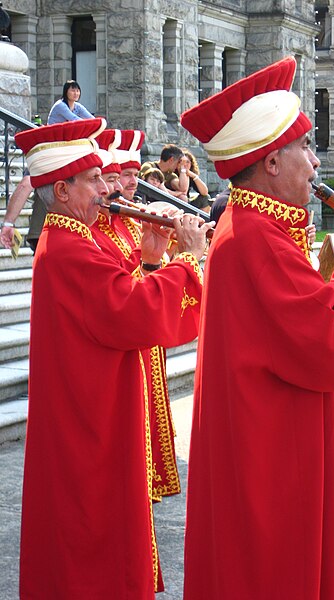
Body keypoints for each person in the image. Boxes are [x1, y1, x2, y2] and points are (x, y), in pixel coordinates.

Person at [180, 56, 334, 600]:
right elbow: (332, 340)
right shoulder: (255, 235)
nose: (315, 164)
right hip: (271, 456)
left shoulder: (258, 228)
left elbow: (309, 325)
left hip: (271, 438)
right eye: (304, 150)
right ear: (269, 162)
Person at [14, 118, 212, 599]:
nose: (107, 189)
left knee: (99, 522)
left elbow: (123, 297)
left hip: (95, 403)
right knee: (90, 527)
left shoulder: (77, 239)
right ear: (62, 191)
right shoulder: (67, 249)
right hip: (88, 416)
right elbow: (132, 312)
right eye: (95, 180)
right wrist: (188, 259)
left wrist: (149, 261)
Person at [93, 128, 184, 503]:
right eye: (113, 177)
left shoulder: (129, 222)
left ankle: (153, 477)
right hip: (126, 336)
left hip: (145, 334)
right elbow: (119, 292)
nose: (123, 185)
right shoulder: (90, 236)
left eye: (126, 176)